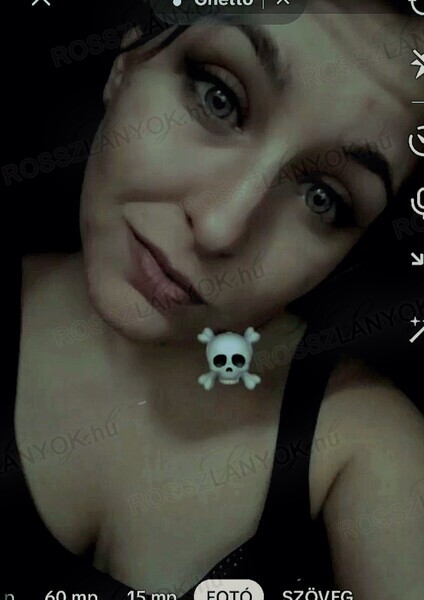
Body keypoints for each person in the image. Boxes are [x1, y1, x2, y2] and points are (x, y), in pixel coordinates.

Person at [4, 0, 424, 598]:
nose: (220, 227)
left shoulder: (364, 448)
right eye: (219, 98)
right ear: (126, 63)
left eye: (323, 197)